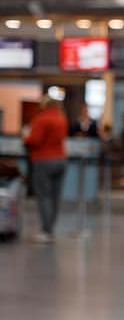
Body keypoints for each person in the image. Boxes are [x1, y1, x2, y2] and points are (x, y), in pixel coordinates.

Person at [21, 95, 69, 243]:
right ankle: (51, 229)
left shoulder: (41, 119)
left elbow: (34, 140)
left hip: (43, 160)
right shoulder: (62, 118)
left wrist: (25, 138)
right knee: (55, 197)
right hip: (61, 160)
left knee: (44, 196)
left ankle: (46, 231)